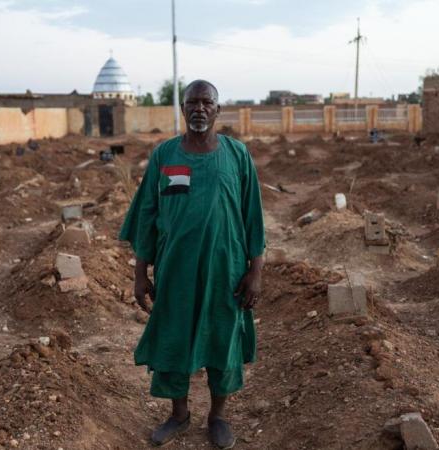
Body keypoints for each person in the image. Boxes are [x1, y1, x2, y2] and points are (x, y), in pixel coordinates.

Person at [119, 79, 265, 449]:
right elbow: (147, 216)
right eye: (192, 103)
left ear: (218, 110)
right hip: (175, 272)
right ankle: (179, 414)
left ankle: (217, 416)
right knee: (174, 337)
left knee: (222, 337)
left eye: (207, 102)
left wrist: (255, 271)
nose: (199, 108)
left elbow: (253, 217)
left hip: (226, 271)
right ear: (183, 110)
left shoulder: (236, 155)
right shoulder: (165, 156)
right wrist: (140, 274)